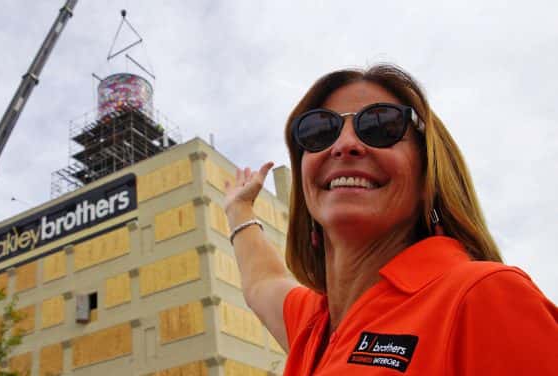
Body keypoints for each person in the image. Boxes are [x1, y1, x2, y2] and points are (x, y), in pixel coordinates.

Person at [224, 64, 558, 375]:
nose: (344, 145)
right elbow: (262, 282)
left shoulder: (481, 297)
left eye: (381, 126)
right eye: (320, 131)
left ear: (428, 176)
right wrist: (239, 208)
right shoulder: (314, 324)